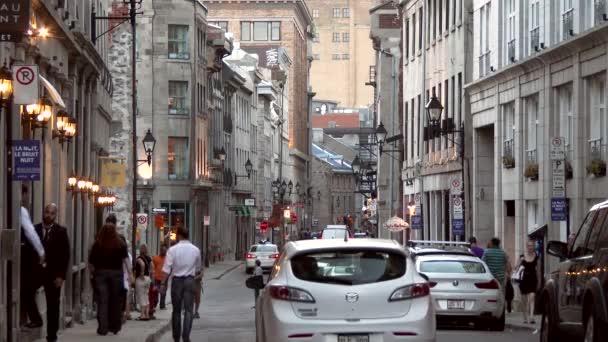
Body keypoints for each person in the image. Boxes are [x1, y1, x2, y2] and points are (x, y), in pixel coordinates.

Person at [36, 203, 70, 342]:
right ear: (43, 212)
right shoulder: (35, 229)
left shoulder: (61, 231)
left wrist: (61, 276)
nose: (48, 215)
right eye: (46, 212)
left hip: (54, 275)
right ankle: (35, 320)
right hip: (37, 273)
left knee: (52, 306)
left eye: (52, 213)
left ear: (55, 215)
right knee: (26, 292)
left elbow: (65, 255)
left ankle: (51, 335)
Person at [161, 227, 202, 342]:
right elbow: (198, 268)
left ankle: (176, 337)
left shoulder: (172, 250)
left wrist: (162, 283)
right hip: (189, 280)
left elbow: (166, 269)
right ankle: (186, 336)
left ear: (178, 236)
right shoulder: (195, 250)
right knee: (189, 310)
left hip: (177, 281)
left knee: (177, 310)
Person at [89, 223, 129, 335]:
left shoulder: (98, 244)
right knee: (116, 301)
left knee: (103, 301)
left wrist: (92, 274)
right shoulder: (120, 243)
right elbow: (126, 260)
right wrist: (130, 274)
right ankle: (114, 326)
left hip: (100, 274)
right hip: (116, 275)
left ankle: (103, 328)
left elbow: (91, 262)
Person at [20, 185, 46, 329]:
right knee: (27, 289)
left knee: (27, 289)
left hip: (27, 259)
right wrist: (41, 252)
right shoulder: (21, 210)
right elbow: (30, 232)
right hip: (27, 258)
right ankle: (36, 319)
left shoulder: (20, 210)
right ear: (22, 194)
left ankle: (36, 319)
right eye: (26, 194)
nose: (27, 198)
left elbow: (30, 232)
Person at [517, 240, 539, 324]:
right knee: (524, 300)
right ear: (526, 247)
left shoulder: (536, 257)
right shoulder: (522, 256)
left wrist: (539, 281)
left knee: (532, 297)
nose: (530, 247)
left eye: (532, 246)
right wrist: (520, 261)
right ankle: (525, 317)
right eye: (529, 246)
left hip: (533, 278)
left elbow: (539, 270)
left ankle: (532, 317)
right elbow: (515, 267)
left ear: (534, 247)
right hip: (524, 279)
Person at [135, 244, 153, 320]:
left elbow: (142, 264)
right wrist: (150, 276)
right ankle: (147, 314)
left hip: (141, 279)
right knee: (146, 297)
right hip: (148, 279)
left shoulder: (139, 258)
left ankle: (142, 315)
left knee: (141, 297)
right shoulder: (149, 258)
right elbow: (152, 267)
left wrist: (142, 273)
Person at [152, 245, 168, 310]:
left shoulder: (168, 259)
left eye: (165, 250)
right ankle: (154, 304)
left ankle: (162, 305)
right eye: (162, 250)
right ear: (160, 250)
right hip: (156, 278)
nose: (163, 251)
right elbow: (153, 268)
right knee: (155, 292)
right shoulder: (155, 258)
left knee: (163, 293)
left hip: (164, 279)